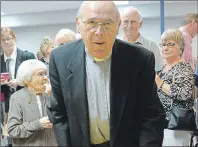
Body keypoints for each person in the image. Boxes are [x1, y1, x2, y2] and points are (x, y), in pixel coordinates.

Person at [47, 1, 165, 147]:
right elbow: (58, 113)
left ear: (118, 26)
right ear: (78, 24)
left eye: (108, 23)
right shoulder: (60, 59)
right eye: (91, 22)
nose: (99, 32)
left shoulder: (140, 59)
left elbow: (152, 114)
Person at [156, 29, 195, 146]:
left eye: (171, 44)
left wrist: (160, 83)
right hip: (161, 124)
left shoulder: (183, 68)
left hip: (177, 126)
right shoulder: (162, 69)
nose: (165, 48)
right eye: (163, 44)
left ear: (181, 48)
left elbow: (184, 93)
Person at [7, 59, 57, 146]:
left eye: (45, 74)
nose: (45, 77)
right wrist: (38, 124)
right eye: (40, 74)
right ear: (27, 79)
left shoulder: (50, 94)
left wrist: (52, 97)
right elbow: (13, 130)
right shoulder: (17, 98)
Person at [1, 27, 35, 147]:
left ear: (14, 39)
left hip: (28, 99)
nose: (6, 42)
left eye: (9, 38)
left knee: (29, 130)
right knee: (12, 131)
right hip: (8, 102)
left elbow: (36, 78)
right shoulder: (0, 60)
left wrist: (19, 81)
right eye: (3, 39)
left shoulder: (27, 56)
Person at [121, 7, 163, 71]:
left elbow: (158, 72)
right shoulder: (113, 46)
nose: (129, 26)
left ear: (140, 24)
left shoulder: (151, 47)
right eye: (125, 22)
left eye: (133, 22)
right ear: (120, 23)